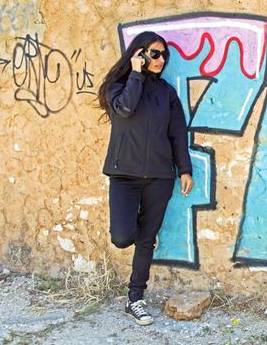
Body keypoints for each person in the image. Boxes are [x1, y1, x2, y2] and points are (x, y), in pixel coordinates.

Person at [97, 31, 194, 326]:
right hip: (124, 175)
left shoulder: (166, 93)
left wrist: (185, 169)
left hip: (160, 177)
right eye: (154, 53)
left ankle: (135, 298)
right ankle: (142, 237)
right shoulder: (117, 87)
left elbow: (177, 133)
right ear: (138, 54)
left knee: (146, 239)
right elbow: (125, 109)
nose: (161, 59)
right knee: (123, 236)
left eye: (164, 54)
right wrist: (136, 75)